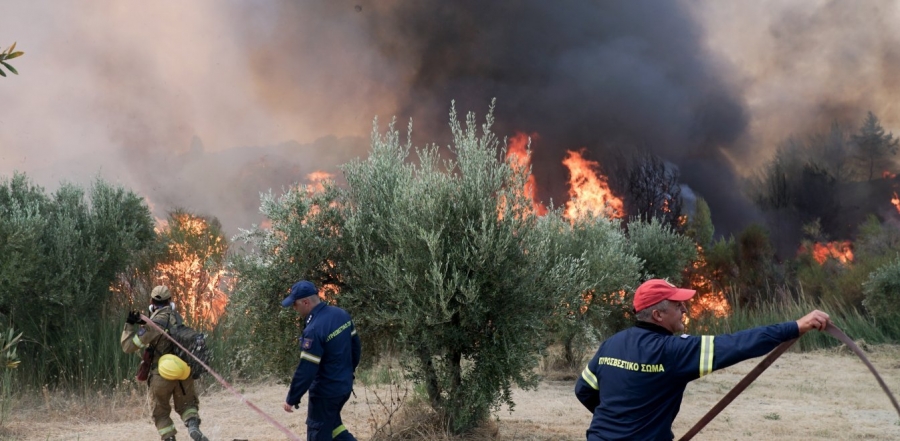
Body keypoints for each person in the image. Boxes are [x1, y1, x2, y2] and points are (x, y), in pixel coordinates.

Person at [574, 278, 830, 441]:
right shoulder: (674, 351)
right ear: (658, 315)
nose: (684, 309)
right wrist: (797, 326)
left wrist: (621, 423)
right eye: (678, 305)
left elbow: (584, 390)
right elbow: (738, 344)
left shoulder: (611, 344)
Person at [121, 285, 210, 441]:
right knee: (188, 406)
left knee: (160, 413)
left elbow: (128, 347)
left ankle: (169, 438)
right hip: (184, 372)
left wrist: (129, 324)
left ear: (151, 302)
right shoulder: (177, 319)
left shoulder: (153, 325)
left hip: (161, 375)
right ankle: (193, 426)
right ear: (170, 301)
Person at [281, 280, 362, 441]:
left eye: (295, 305)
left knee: (318, 433)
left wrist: (292, 398)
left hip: (325, 393)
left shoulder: (313, 330)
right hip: (344, 386)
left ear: (305, 302)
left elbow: (307, 369)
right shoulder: (341, 315)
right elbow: (356, 348)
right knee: (334, 428)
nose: (294, 309)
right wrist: (346, 372)